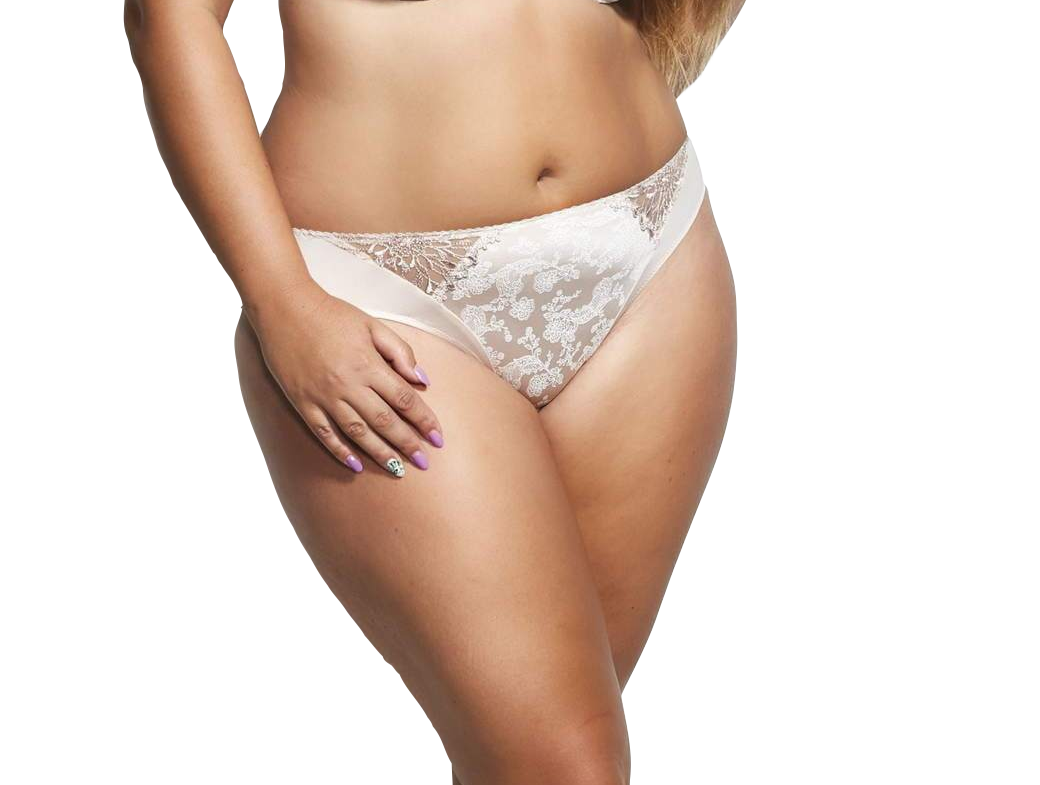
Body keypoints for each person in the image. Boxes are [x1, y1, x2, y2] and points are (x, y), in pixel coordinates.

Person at [125, 1, 743, 782]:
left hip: (652, 247)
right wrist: (281, 301)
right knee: (567, 764)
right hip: (378, 296)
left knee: (538, 747)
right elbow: (168, 16)